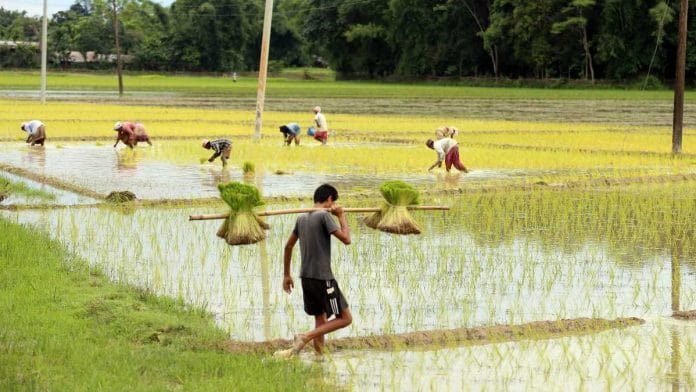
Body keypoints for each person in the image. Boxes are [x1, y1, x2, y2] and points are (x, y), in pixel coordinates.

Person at [276, 184, 352, 358]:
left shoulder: (301, 218)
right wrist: (341, 216)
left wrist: (287, 275)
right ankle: (305, 337)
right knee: (345, 318)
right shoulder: (324, 216)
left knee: (320, 318)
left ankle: (319, 358)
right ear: (330, 199)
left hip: (306, 278)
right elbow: (346, 239)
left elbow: (288, 246)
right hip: (324, 279)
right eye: (334, 202)